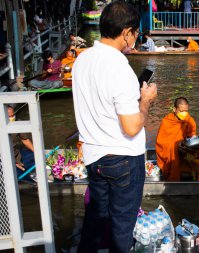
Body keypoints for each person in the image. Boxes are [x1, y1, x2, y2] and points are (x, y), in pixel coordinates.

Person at [72, 2, 157, 252]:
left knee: (95, 223)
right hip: (123, 157)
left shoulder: (82, 60)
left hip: (94, 155)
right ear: (127, 32)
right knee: (122, 227)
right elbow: (131, 127)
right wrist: (145, 102)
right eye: (136, 33)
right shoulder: (120, 67)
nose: (136, 38)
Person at [156, 97, 199, 181]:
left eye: (186, 111)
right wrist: (176, 146)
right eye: (181, 111)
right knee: (174, 149)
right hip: (170, 153)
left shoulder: (190, 121)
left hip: (185, 152)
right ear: (174, 109)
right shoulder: (166, 121)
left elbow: (192, 137)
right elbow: (161, 143)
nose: (184, 113)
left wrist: (186, 145)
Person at [8, 106, 35, 181]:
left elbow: (25, 139)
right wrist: (13, 163)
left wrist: (37, 152)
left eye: (13, 115)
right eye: (9, 116)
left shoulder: (16, 121)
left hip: (16, 155)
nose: (12, 118)